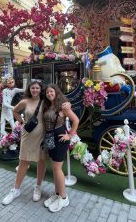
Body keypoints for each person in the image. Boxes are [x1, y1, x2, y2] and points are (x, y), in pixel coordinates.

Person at [42, 84, 79, 213]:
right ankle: (57, 193)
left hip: (60, 138)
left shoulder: (63, 106)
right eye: (47, 92)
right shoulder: (48, 105)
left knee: (57, 169)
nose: (49, 94)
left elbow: (76, 120)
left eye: (51, 91)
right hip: (50, 137)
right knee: (55, 168)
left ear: (56, 92)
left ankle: (64, 197)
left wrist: (69, 135)